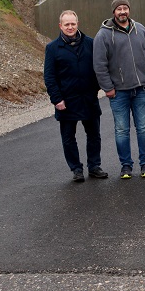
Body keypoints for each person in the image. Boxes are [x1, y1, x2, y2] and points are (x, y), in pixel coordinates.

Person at [93, 0, 145, 180]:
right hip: (118, 92)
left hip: (141, 89)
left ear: (129, 10)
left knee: (144, 128)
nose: (122, 12)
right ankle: (126, 166)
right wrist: (107, 88)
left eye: (125, 8)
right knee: (122, 130)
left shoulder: (141, 29)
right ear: (113, 12)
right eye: (119, 9)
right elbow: (99, 65)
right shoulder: (103, 35)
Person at [43, 10, 107, 183]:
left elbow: (99, 68)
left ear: (77, 24)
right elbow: (49, 76)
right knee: (68, 137)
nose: (70, 27)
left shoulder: (91, 44)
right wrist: (56, 99)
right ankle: (76, 169)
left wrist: (97, 89)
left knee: (94, 135)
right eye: (66, 24)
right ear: (60, 26)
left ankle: (94, 166)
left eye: (73, 24)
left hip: (89, 99)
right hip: (66, 101)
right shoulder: (52, 48)